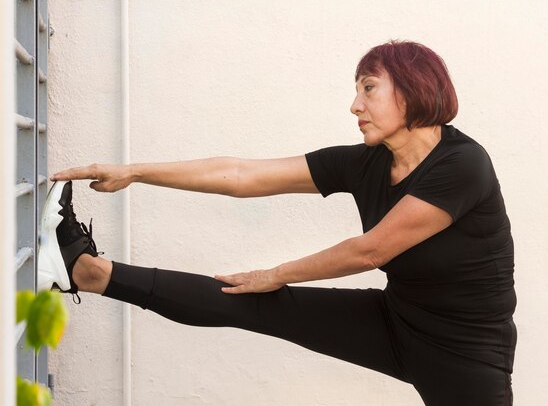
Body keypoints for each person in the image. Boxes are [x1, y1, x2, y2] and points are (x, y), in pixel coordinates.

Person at [39, 40, 516, 406]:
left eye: (368, 88)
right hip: (397, 318)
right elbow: (243, 175)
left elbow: (370, 251)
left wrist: (275, 274)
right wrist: (135, 172)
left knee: (260, 288)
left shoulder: (463, 164)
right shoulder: (366, 162)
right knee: (243, 300)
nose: (355, 105)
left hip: (466, 351)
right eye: (356, 91)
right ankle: (88, 272)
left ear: (414, 90)